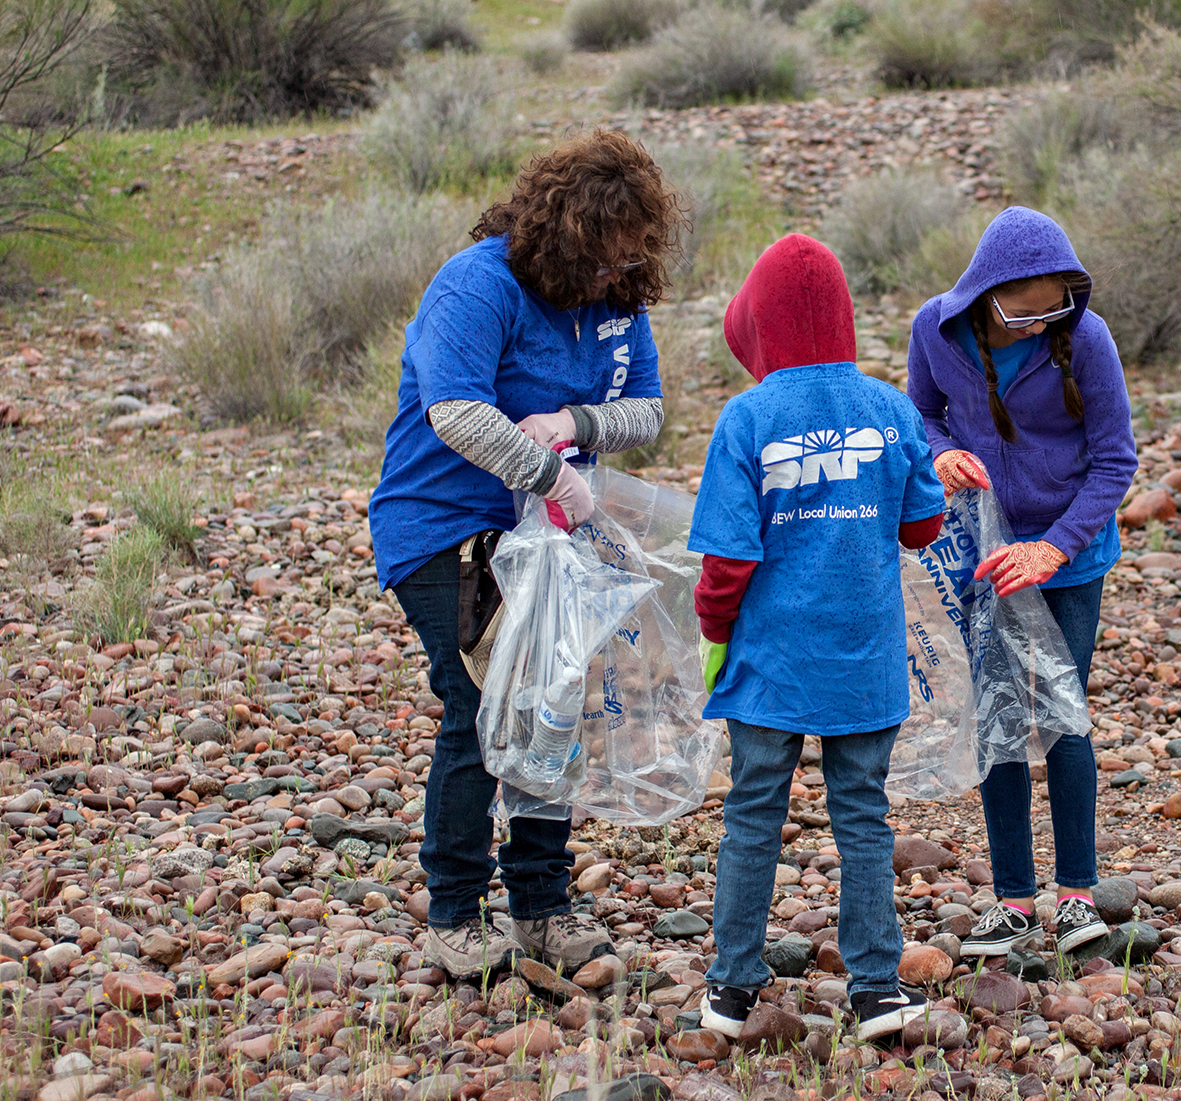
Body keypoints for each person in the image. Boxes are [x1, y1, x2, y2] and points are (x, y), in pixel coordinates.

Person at [369, 130, 681, 979]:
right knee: (482, 703)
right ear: (562, 233)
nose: (610, 279)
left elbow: (647, 411)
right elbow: (458, 414)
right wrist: (553, 473)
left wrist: (578, 426)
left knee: (556, 706)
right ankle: (454, 909)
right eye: (600, 260)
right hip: (445, 526)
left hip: (549, 538)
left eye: (626, 263)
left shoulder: (616, 301)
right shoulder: (478, 285)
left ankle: (542, 901)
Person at [688, 234, 948, 1043]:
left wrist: (713, 632)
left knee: (753, 813)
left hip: (769, 661)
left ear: (759, 323)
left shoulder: (748, 417)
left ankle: (731, 989)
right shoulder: (888, 407)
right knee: (863, 816)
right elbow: (925, 524)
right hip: (863, 659)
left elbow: (728, 559)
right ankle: (874, 990)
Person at [904, 206, 1138, 957]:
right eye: (1025, 310)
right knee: (998, 716)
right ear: (987, 292)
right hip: (984, 550)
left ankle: (1075, 895)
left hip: (1070, 555)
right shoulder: (936, 332)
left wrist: (1055, 549)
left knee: (1063, 712)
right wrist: (938, 455)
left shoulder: (1087, 337)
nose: (1041, 324)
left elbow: (1115, 461)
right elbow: (922, 415)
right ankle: (1011, 900)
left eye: (1054, 307)